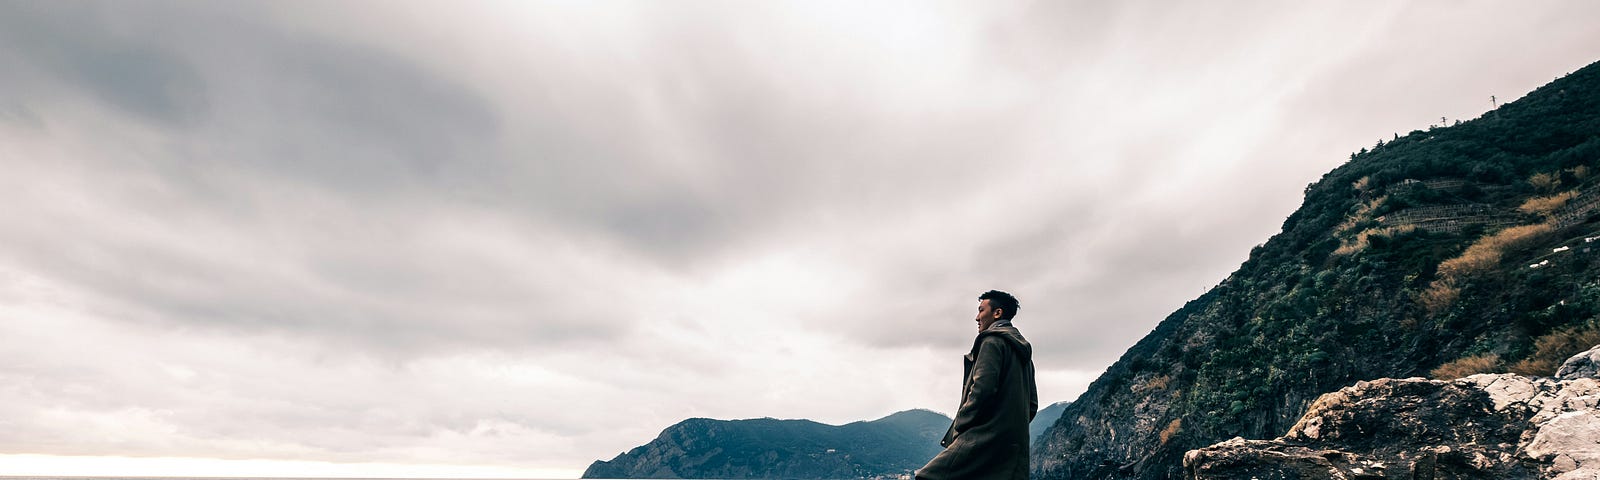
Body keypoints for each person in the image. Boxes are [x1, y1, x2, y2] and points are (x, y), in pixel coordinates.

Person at [915, 290, 1038, 480]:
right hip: (1012, 445)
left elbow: (982, 391)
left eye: (981, 310)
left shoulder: (992, 341)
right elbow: (1031, 405)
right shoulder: (1023, 354)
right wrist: (1008, 424)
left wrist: (962, 425)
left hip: (983, 437)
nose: (977, 317)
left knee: (928, 477)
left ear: (997, 313)